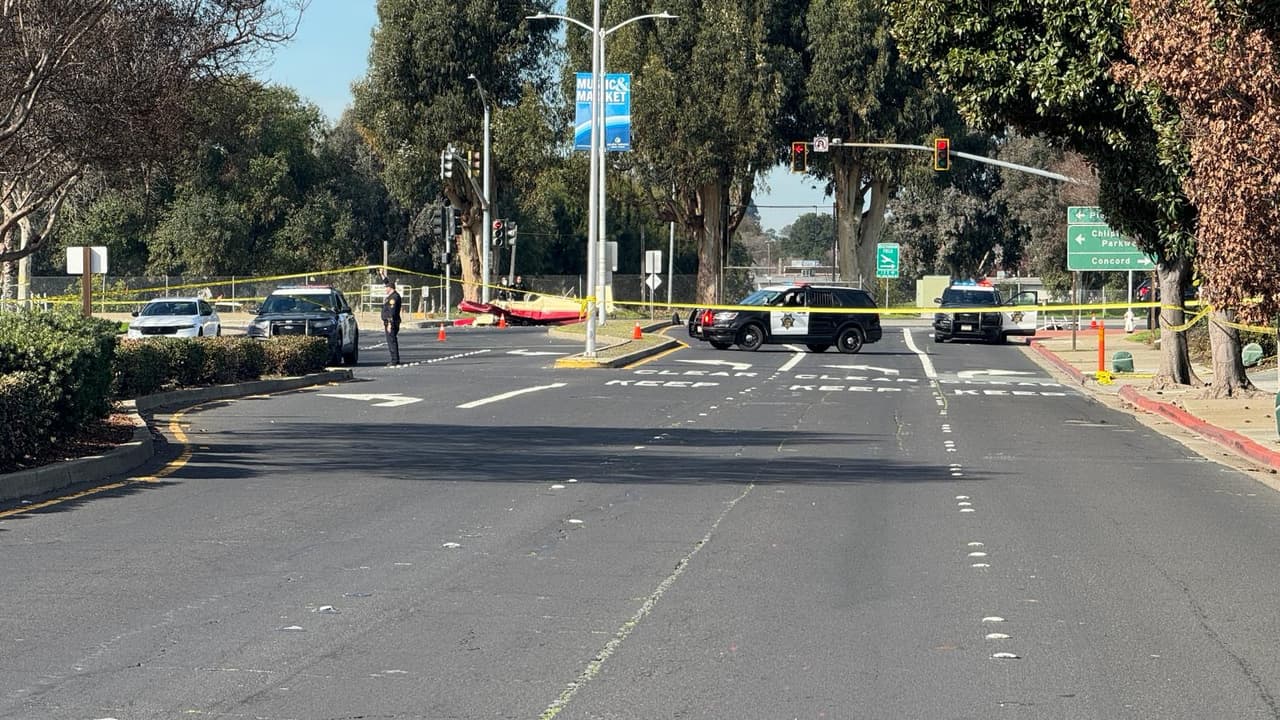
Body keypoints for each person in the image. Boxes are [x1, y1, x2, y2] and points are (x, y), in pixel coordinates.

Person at [381, 278, 402, 365]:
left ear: (390, 288)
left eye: (386, 287)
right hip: (390, 322)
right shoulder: (392, 296)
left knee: (391, 341)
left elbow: (391, 312)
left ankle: (395, 360)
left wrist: (389, 323)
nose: (385, 289)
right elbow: (388, 282)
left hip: (392, 322)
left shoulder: (394, 298)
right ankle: (394, 359)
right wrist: (382, 275)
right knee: (391, 340)